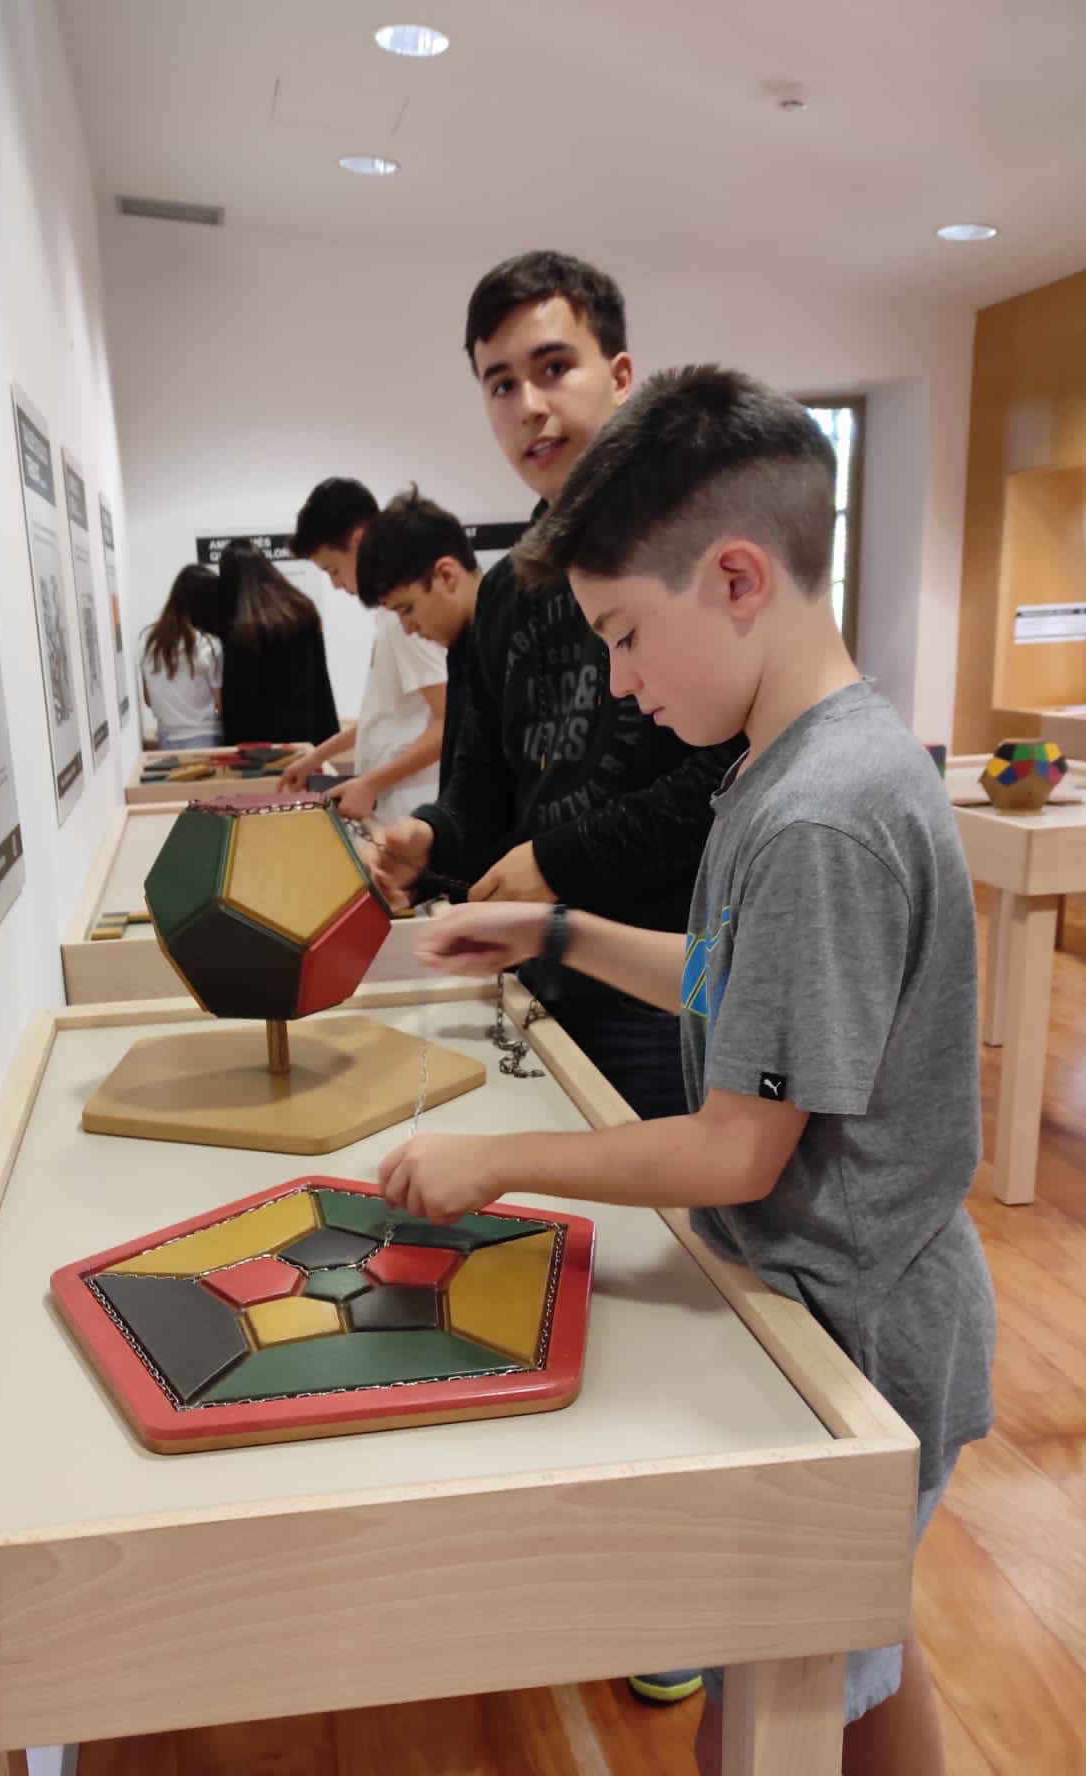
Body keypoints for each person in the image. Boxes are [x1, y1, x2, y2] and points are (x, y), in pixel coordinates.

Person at [378, 365, 991, 1776]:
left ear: (734, 579)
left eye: (626, 638)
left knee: (759, 1739)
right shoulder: (808, 758)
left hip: (855, 1338)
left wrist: (497, 1163)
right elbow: (737, 983)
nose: (625, 683)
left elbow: (735, 1150)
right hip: (873, 1319)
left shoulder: (817, 812)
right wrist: (560, 932)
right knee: (863, 1677)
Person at [371, 251, 743, 1134]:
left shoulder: (698, 558)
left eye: (553, 368)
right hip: (539, 978)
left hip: (673, 985)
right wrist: (430, 837)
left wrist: (558, 860)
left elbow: (728, 781)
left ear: (619, 376)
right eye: (501, 384)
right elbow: (482, 788)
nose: (529, 405)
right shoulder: (505, 593)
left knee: (684, 1214)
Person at [278, 477, 448, 823]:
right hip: (398, 805)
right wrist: (316, 757)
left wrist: (371, 782)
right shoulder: (389, 614)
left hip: (413, 809)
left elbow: (449, 722)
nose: (335, 584)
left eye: (334, 570)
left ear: (359, 541)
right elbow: (384, 716)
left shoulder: (403, 617)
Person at [353, 486, 482, 794]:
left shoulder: (510, 640)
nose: (409, 629)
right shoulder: (462, 649)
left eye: (407, 609)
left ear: (446, 575)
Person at [216, 541, 339, 747]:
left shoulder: (244, 627)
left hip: (263, 745)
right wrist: (328, 737)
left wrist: (232, 745)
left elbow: (240, 702)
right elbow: (320, 680)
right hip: (307, 734)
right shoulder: (301, 608)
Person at [137, 563, 223, 750]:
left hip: (166, 738)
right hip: (205, 737)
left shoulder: (148, 640)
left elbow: (149, 699)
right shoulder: (208, 644)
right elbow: (221, 704)